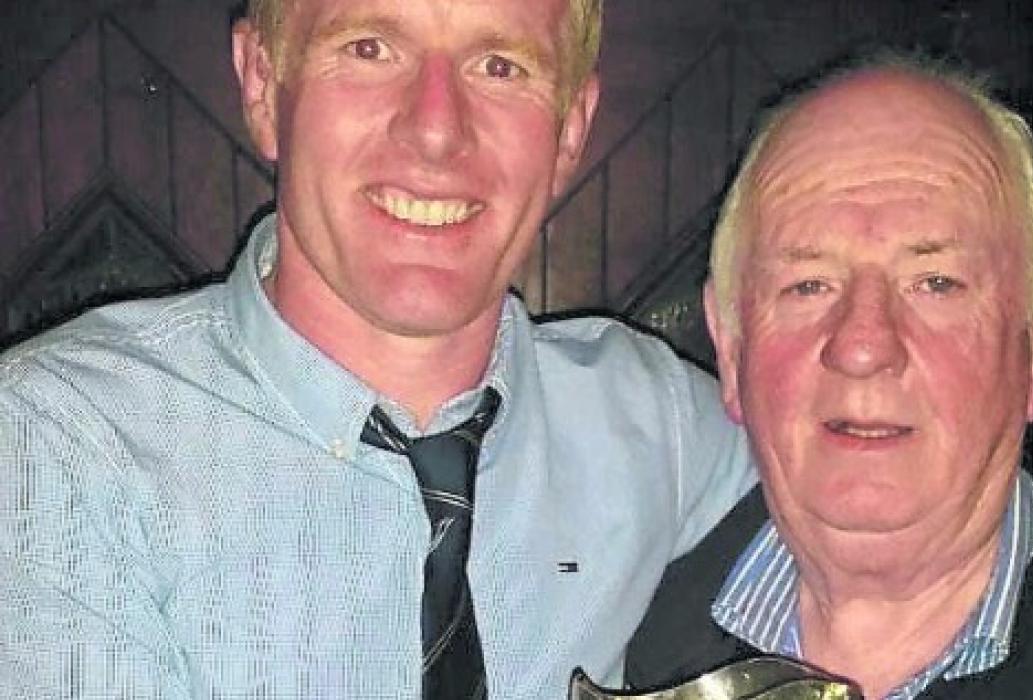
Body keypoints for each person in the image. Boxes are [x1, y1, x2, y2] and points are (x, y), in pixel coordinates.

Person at [0, 0, 755, 696]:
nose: (435, 129)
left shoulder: (655, 421)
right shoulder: (61, 445)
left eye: (500, 66)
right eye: (368, 48)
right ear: (262, 84)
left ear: (570, 130)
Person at [624, 56, 1033, 699]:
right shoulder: (610, 623)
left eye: (936, 283)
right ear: (731, 348)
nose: (863, 346)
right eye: (808, 285)